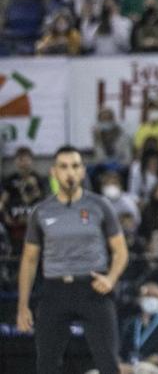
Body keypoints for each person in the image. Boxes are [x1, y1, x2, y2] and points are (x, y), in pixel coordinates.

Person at [16, 146, 129, 374]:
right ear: (54, 172)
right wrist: (22, 306)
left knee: (108, 363)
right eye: (64, 166)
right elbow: (29, 260)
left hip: (93, 288)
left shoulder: (100, 206)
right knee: (46, 365)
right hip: (54, 290)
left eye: (75, 166)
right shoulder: (41, 211)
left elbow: (121, 251)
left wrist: (111, 278)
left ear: (83, 172)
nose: (70, 172)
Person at [118, 281, 158, 374]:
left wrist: (134, 367)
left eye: (155, 296)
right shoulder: (130, 323)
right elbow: (120, 351)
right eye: (147, 295)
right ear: (139, 300)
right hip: (128, 366)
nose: (151, 299)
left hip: (154, 369)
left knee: (142, 370)